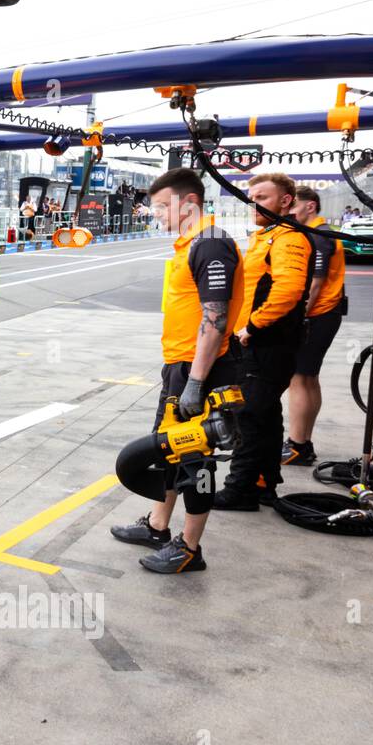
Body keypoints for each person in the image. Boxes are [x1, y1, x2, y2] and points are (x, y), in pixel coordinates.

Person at [111, 167, 245, 573]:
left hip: (201, 372)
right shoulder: (190, 245)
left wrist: (197, 383)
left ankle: (189, 548)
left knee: (196, 460)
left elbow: (215, 318)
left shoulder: (210, 244)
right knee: (167, 449)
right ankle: (157, 525)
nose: (157, 215)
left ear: (188, 203)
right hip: (180, 369)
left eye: (161, 207)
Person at [214, 172, 313, 510]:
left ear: (286, 201)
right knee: (266, 415)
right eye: (251, 196)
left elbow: (288, 290)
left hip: (267, 344)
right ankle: (263, 483)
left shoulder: (289, 238)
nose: (253, 203)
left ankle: (241, 489)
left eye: (263, 197)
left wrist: (251, 328)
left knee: (249, 416)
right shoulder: (269, 235)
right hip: (263, 343)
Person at [283, 186, 345, 465]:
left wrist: (300, 316)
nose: (290, 211)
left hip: (317, 314)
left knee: (298, 379)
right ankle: (303, 442)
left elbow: (316, 283)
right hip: (325, 314)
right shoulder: (321, 232)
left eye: (294, 205)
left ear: (311, 206)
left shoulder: (318, 236)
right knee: (308, 379)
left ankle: (296, 444)